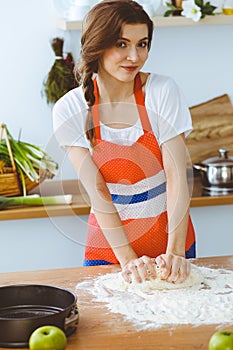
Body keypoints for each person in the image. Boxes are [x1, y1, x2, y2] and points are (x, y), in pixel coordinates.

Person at [53, 0, 196, 285]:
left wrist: (176, 252)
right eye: (121, 44)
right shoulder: (69, 109)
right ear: (97, 45)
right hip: (108, 249)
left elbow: (176, 176)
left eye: (142, 44)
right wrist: (128, 259)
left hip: (172, 244)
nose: (135, 56)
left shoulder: (162, 92)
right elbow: (98, 191)